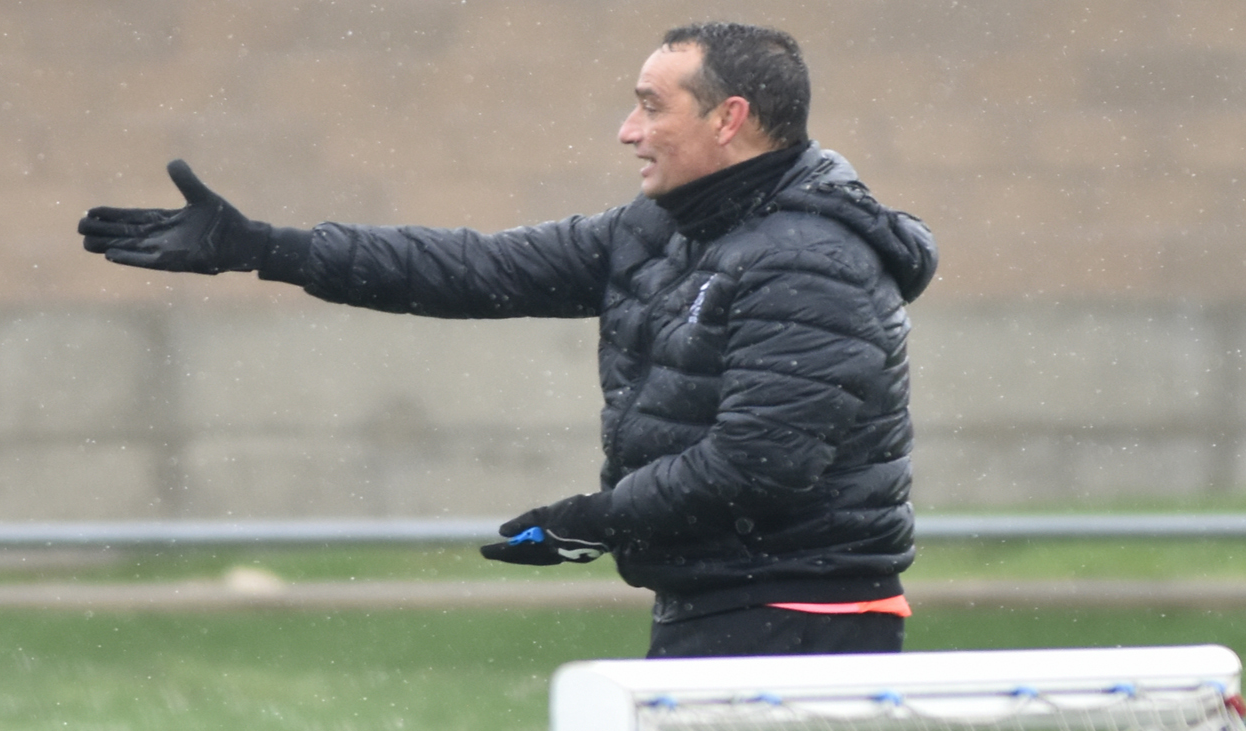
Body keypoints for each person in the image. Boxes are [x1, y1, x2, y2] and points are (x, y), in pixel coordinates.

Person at [79, 22, 937, 658]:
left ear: (730, 118)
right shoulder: (658, 229)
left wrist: (592, 521)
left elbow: (759, 462)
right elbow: (472, 269)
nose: (626, 131)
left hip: (807, 624)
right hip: (718, 604)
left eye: (649, 107)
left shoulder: (812, 258)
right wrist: (264, 248)